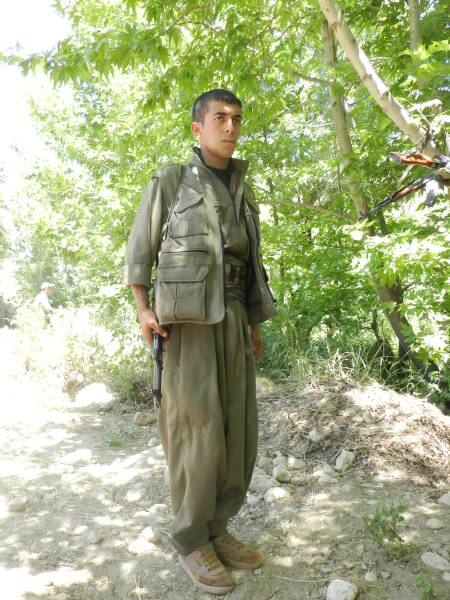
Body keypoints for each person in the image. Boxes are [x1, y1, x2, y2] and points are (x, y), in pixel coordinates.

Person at [124, 89, 276, 595]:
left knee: (236, 429)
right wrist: (143, 309)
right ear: (198, 128)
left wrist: (253, 324)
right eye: (220, 118)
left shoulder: (243, 189)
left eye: (237, 118)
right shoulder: (173, 179)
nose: (230, 126)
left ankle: (217, 526)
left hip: (233, 315)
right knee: (195, 427)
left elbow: (250, 263)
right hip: (187, 322)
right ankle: (191, 538)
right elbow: (140, 249)